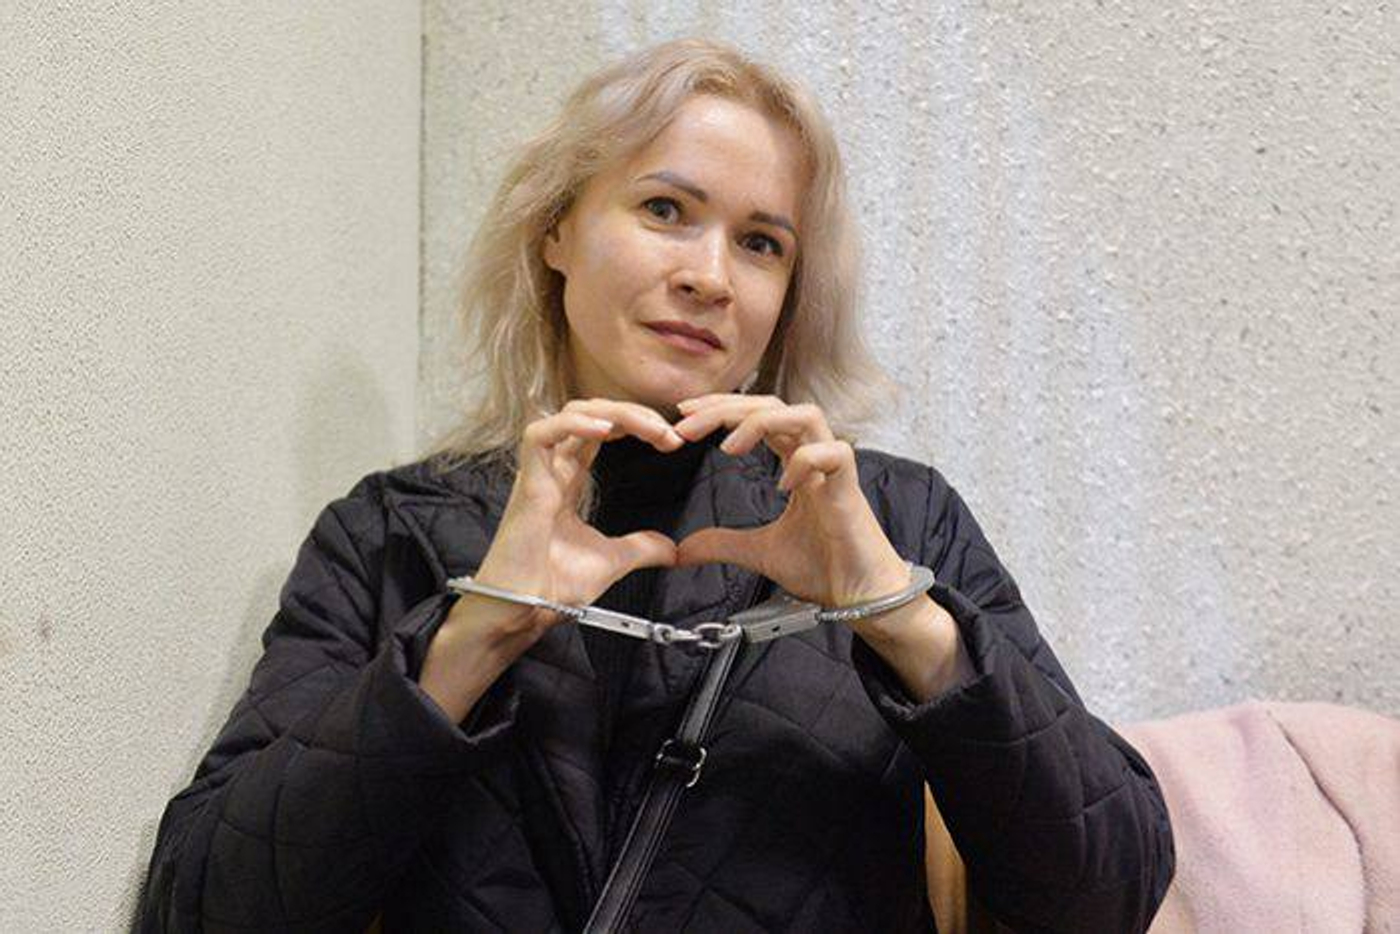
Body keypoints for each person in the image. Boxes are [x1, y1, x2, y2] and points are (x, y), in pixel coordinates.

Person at [138, 38, 1174, 933]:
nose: (709, 276)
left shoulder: (896, 520)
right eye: (665, 209)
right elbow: (200, 905)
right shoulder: (391, 534)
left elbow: (1109, 894)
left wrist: (900, 617)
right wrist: (469, 640)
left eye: (760, 243)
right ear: (555, 232)